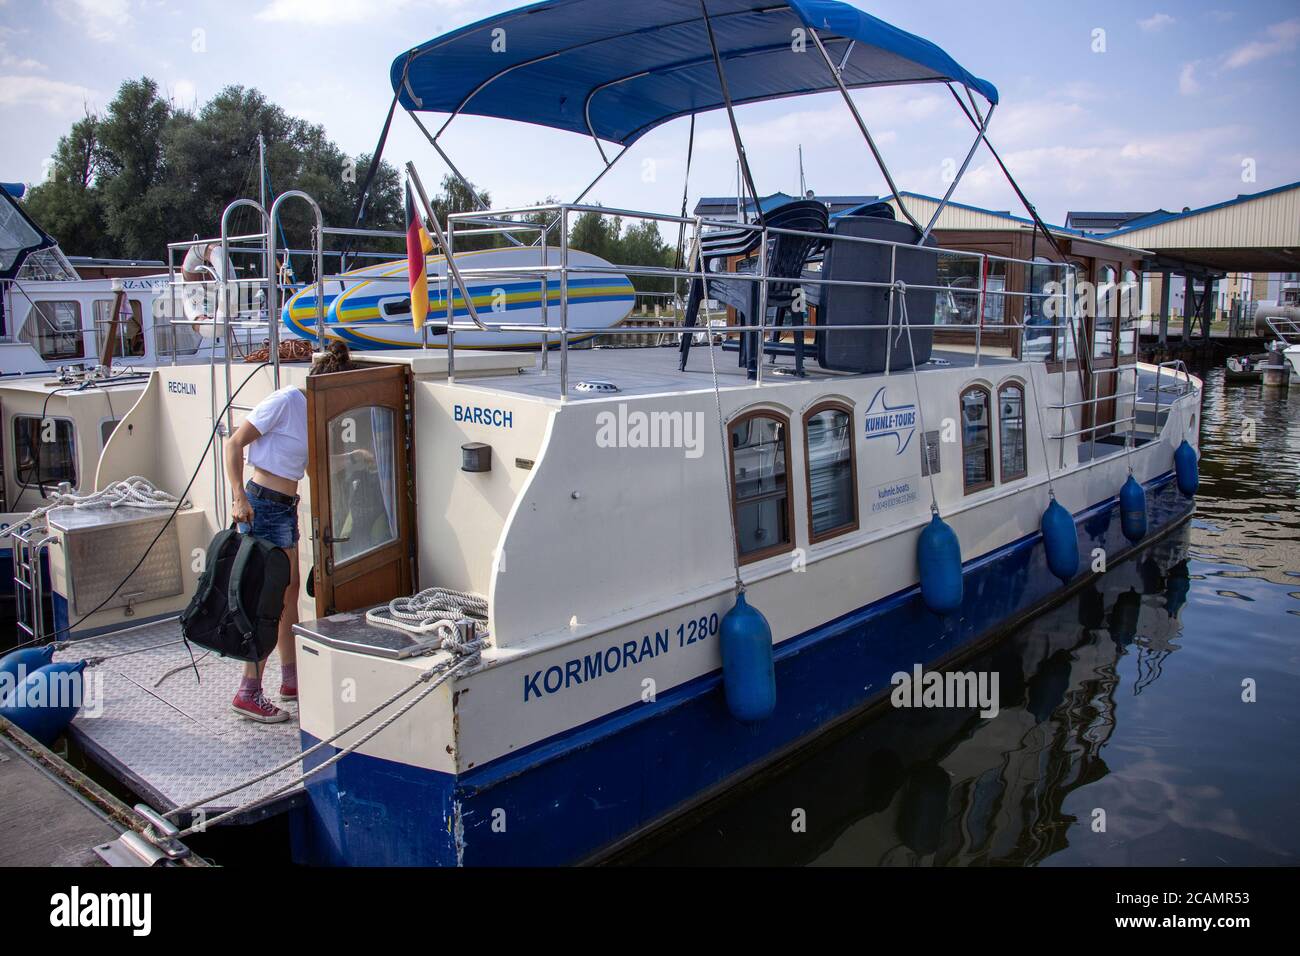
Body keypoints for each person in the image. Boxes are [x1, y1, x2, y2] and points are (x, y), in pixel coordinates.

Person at [223, 341, 357, 722]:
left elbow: (311, 464)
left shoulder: (315, 413)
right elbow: (234, 444)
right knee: (270, 600)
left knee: (290, 595)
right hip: (262, 504)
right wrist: (238, 498)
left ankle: (290, 679)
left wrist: (354, 460)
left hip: (284, 508)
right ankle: (248, 691)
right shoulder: (285, 402)